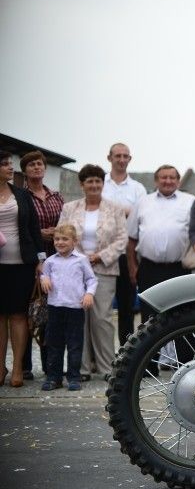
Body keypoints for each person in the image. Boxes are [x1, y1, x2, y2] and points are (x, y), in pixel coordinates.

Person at [58, 164, 128, 380]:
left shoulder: (115, 208)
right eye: (90, 181)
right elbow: (61, 234)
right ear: (82, 184)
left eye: (98, 181)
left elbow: (122, 239)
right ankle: (82, 368)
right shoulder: (69, 208)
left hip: (104, 269)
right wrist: (78, 257)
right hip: (74, 269)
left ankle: (107, 368)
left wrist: (99, 256)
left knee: (101, 319)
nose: (94, 185)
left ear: (102, 183)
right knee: (79, 318)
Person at [127, 166, 195, 324]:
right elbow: (131, 240)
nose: (168, 181)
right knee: (149, 318)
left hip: (179, 269)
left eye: (172, 178)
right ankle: (153, 350)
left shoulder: (190, 201)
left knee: (179, 315)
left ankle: (181, 349)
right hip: (149, 269)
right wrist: (132, 268)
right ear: (156, 180)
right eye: (163, 177)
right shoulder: (142, 202)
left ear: (178, 181)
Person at [0, 151, 45, 387]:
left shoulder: (22, 195)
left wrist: (40, 260)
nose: (10, 168)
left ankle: (17, 368)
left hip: (21, 264)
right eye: (5, 164)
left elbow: (34, 228)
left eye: (10, 164)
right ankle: (0, 367)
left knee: (18, 315)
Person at [20, 150, 65, 380]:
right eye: (31, 165)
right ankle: (25, 366)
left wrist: (57, 234)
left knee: (52, 314)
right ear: (24, 170)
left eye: (39, 164)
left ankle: (51, 365)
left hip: (57, 260)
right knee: (29, 311)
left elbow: (66, 224)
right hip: (29, 262)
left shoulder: (56, 197)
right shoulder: (21, 196)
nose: (36, 168)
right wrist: (40, 234)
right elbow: (20, 227)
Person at [39, 224, 97, 391]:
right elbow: (44, 274)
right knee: (54, 344)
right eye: (57, 239)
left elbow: (91, 280)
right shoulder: (50, 261)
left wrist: (89, 294)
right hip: (55, 307)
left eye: (65, 239)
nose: (60, 242)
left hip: (74, 308)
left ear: (74, 241)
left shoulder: (81, 260)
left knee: (74, 344)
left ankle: (73, 377)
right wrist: (44, 279)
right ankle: (53, 378)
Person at [101, 143, 147, 347]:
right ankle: (98, 358)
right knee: (100, 309)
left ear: (130, 159)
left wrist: (112, 210)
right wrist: (126, 211)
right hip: (102, 253)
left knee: (127, 307)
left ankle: (125, 352)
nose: (121, 159)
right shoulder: (99, 183)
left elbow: (141, 216)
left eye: (125, 156)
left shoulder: (138, 188)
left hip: (127, 253)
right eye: (117, 156)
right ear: (109, 157)